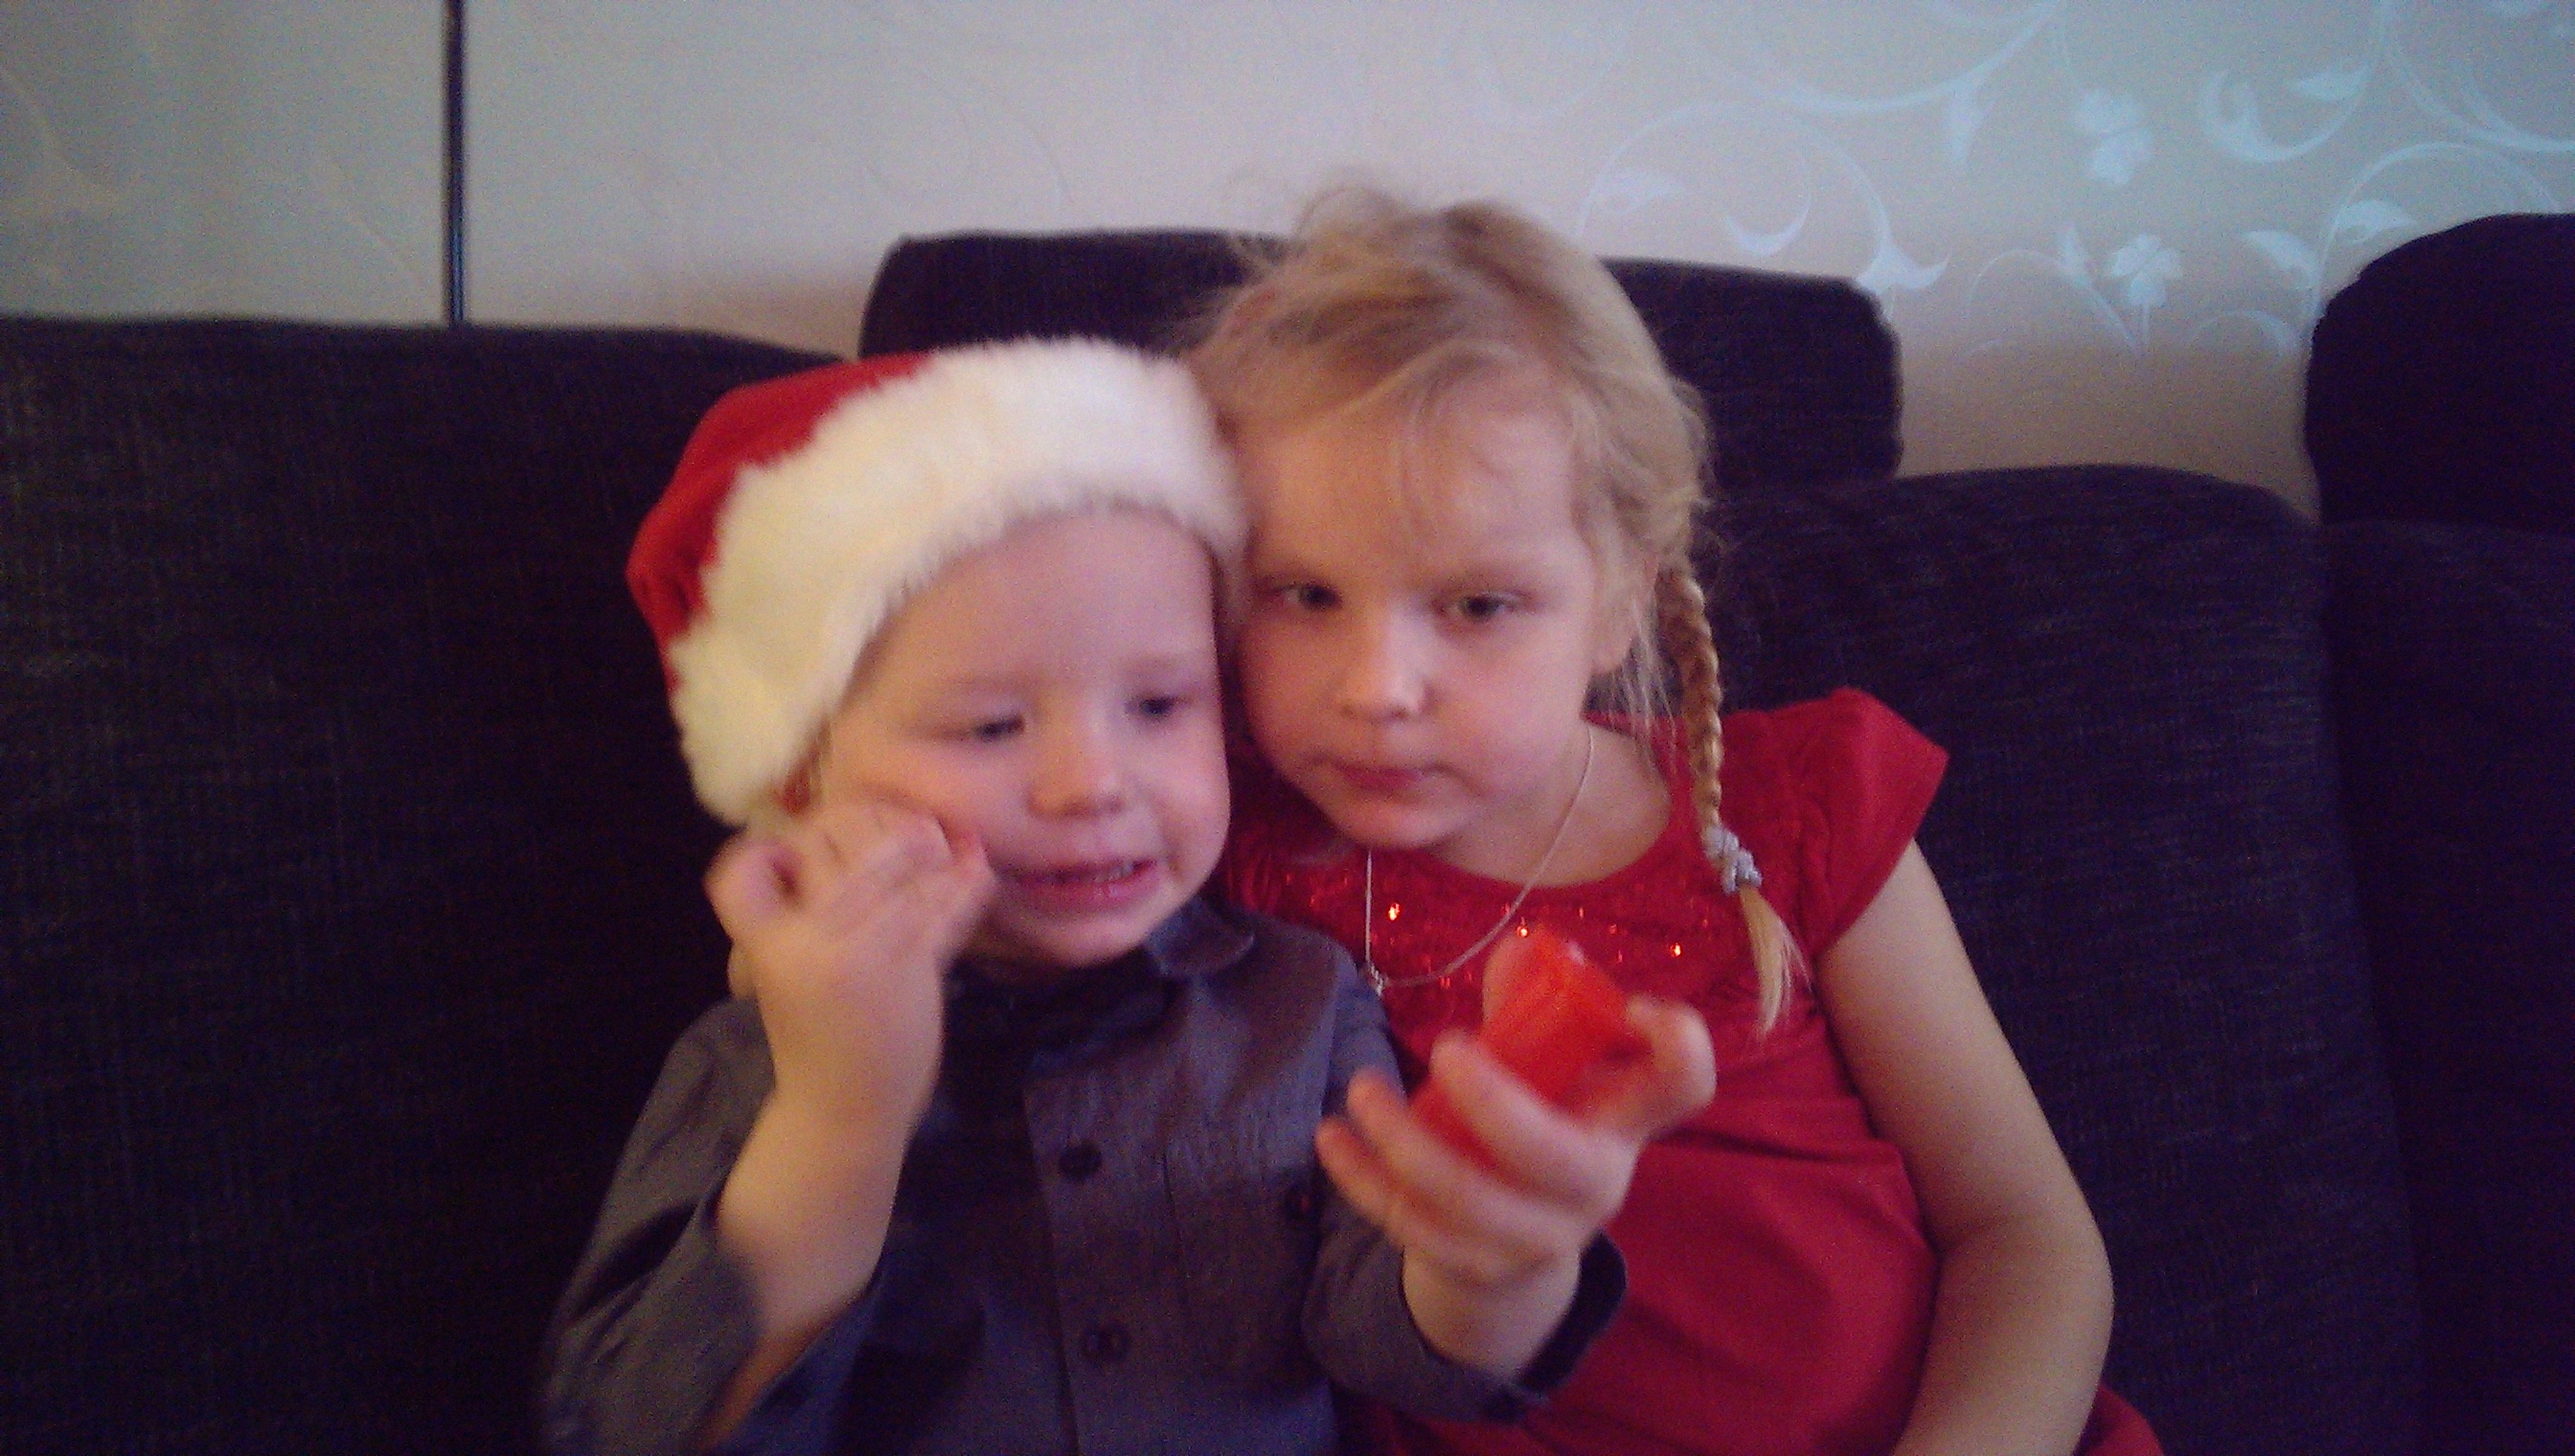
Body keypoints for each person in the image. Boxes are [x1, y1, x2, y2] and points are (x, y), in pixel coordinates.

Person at [540, 338, 1715, 1456]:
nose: (1093, 784)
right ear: (803, 774)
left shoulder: (1300, 1000)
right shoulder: (761, 1053)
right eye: (990, 724)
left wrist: (1498, 1257)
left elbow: (1393, 1347)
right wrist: (840, 1117)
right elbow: (626, 1422)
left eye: (1160, 705)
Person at [1194, 190, 2166, 1456]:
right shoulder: (1222, 863)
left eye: (1479, 605)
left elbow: (2025, 1232)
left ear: (1619, 602)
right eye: (1303, 592)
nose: (1377, 686)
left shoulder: (1789, 809)